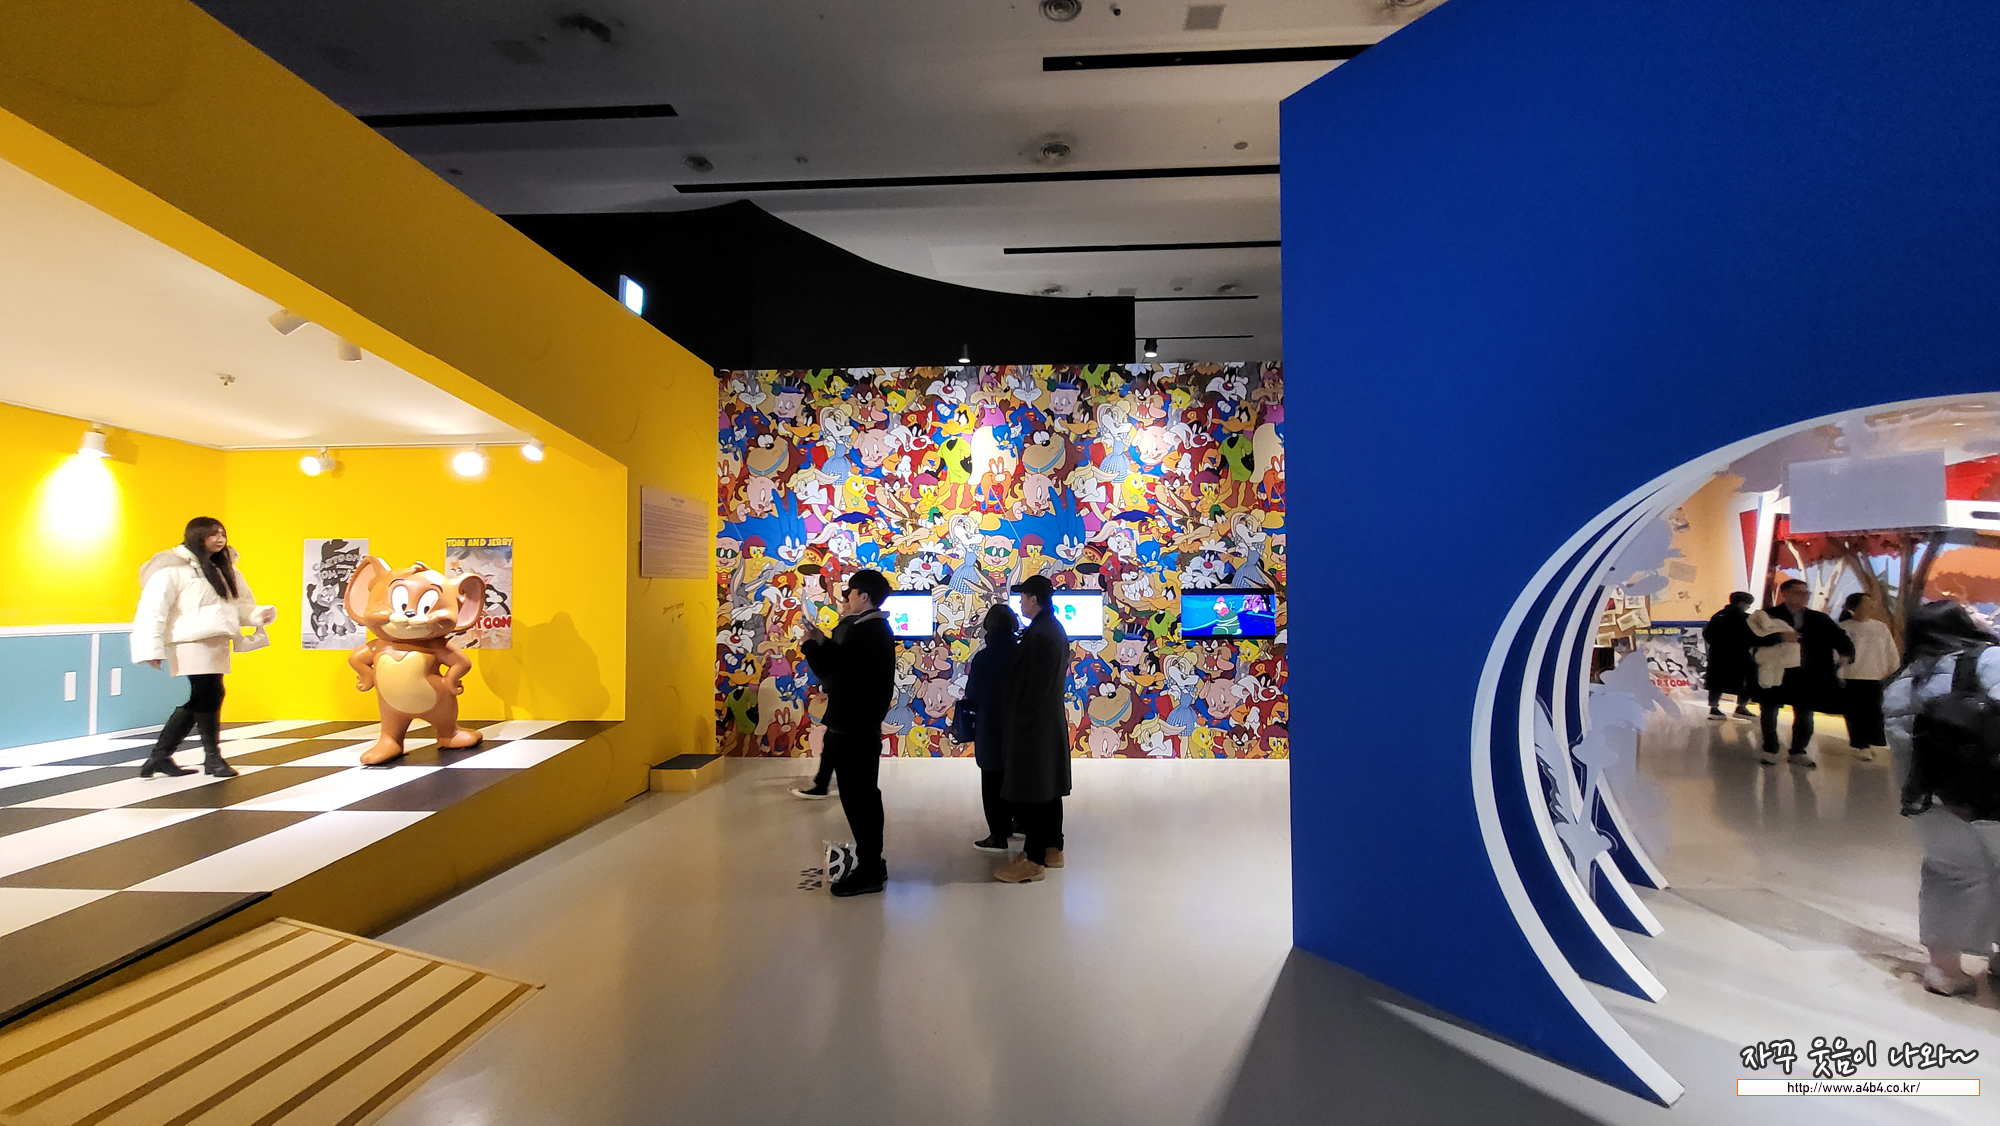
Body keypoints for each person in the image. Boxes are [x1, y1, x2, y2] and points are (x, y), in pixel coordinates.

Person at [1883, 600, 2000, 997]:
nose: (1983, 614)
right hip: (1992, 792)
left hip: (1931, 796)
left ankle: (1943, 970)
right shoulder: (1988, 659)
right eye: (1971, 612)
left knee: (1950, 873)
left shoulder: (1903, 679)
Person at [131, 518, 275, 778]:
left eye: (222, 534)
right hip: (190, 640)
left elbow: (238, 604)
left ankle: (161, 756)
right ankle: (212, 758)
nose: (219, 539)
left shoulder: (224, 568)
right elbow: (152, 610)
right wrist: (150, 648)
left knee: (207, 696)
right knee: (208, 693)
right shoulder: (172, 568)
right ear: (197, 536)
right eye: (212, 534)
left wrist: (257, 614)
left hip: (217, 640)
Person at [798, 569, 895, 897]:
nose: (845, 598)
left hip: (854, 728)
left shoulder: (866, 632)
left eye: (849, 593)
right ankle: (872, 863)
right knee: (862, 797)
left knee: (860, 800)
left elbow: (834, 673)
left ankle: (870, 868)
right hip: (855, 726)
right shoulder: (869, 628)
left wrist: (811, 648)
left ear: (863, 596)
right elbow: (843, 663)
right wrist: (822, 641)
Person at [994, 574, 1073, 883]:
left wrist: (1022, 721)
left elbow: (1036, 686)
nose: (1021, 604)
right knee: (1049, 787)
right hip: (1046, 721)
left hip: (1035, 725)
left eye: (1023, 598)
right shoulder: (1052, 628)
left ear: (1034, 599)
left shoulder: (1040, 634)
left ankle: (1034, 859)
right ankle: (1053, 848)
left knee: (1036, 789)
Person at [1747, 579, 1853, 767]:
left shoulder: (1819, 619)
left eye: (1806, 593)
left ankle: (1798, 750)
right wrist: (1779, 637)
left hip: (1808, 672)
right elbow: (1750, 639)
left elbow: (1840, 638)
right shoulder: (1767, 616)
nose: (1804, 597)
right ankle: (1770, 748)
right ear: (1785, 594)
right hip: (1776, 670)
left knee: (1805, 712)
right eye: (1798, 592)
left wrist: (1847, 654)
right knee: (1770, 710)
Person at [963, 604, 1020, 851]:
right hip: (1018, 725)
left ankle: (998, 833)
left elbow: (973, 693)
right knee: (1015, 775)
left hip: (990, 726)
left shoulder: (983, 658)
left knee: (992, 780)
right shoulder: (1022, 654)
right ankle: (1019, 822)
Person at [1839, 591, 1900, 762]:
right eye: (1866, 603)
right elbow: (1836, 653)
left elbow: (1890, 650)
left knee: (1873, 711)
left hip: (1875, 676)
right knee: (1855, 712)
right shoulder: (1844, 627)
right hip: (1851, 676)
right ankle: (1860, 744)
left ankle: (1871, 741)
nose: (1871, 606)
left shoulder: (1880, 627)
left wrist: (1891, 669)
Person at [1701, 591, 1758, 720]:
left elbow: (1707, 633)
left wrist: (1716, 645)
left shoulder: (1718, 616)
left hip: (1718, 654)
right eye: (1748, 604)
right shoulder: (1746, 619)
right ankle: (1741, 706)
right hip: (1740, 655)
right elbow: (1752, 637)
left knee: (1717, 681)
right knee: (1747, 680)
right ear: (1742, 603)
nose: (1748, 607)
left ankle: (1714, 707)